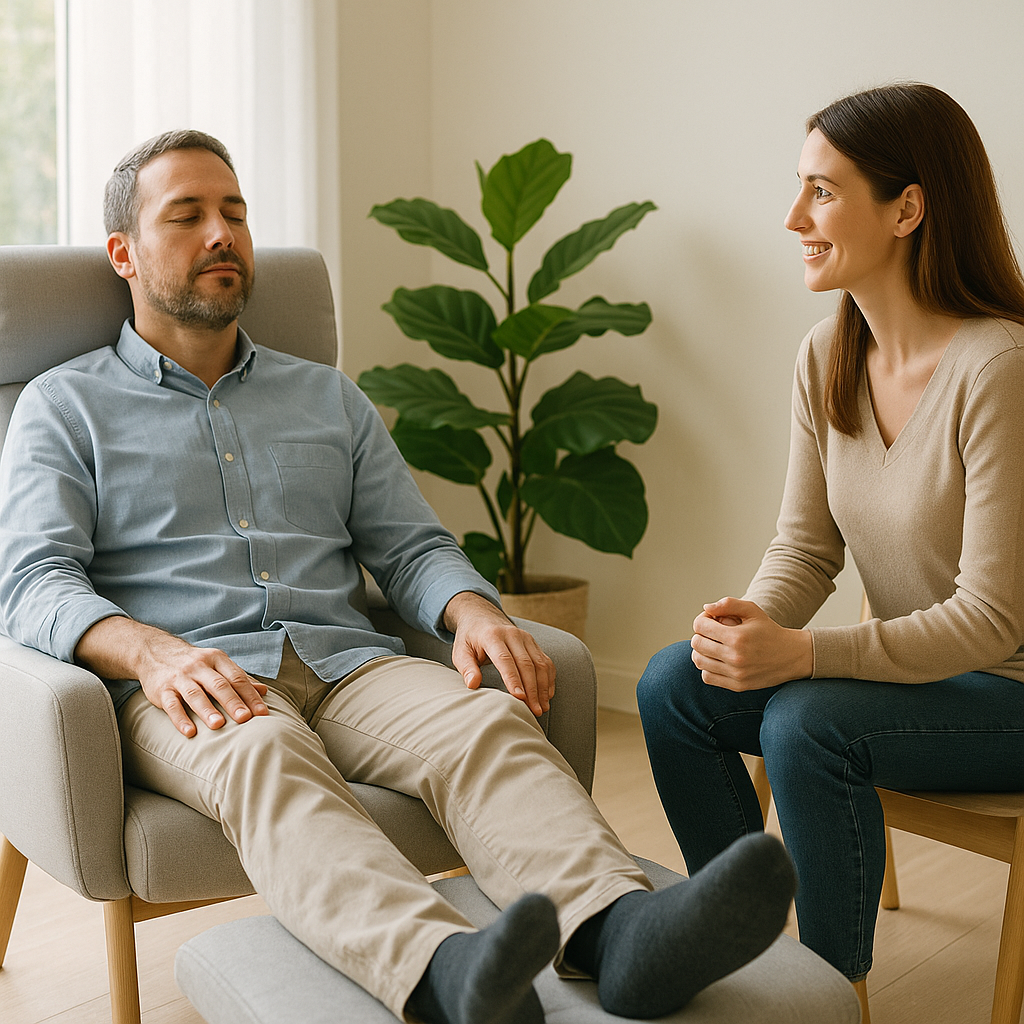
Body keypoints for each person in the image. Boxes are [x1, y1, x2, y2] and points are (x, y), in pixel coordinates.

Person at [0, 130, 797, 1024]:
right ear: (124, 253)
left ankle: (620, 934)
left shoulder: (328, 397)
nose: (222, 233)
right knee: (264, 755)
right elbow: (32, 581)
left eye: (235, 212)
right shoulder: (62, 405)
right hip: (193, 683)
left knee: (485, 721)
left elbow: (411, 546)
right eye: (186, 216)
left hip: (347, 664)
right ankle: (442, 973)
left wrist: (471, 611)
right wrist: (152, 654)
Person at [637, 81, 1024, 1003]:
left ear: (907, 209)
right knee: (674, 683)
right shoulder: (828, 353)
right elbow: (807, 550)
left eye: (822, 191)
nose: (793, 218)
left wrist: (805, 654)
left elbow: (992, 619)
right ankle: (738, 952)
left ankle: (823, 996)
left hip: (1006, 693)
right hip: (914, 681)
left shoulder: (999, 369)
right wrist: (748, 626)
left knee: (807, 720)